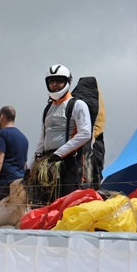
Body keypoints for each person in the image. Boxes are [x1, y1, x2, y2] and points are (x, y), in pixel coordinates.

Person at [32, 64, 92, 205]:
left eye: (59, 81)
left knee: (66, 202)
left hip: (69, 162)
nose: (55, 85)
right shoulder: (48, 108)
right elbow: (43, 137)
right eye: (51, 82)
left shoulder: (77, 104)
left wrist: (59, 153)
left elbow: (85, 133)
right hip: (48, 162)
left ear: (67, 82)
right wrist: (31, 165)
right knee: (45, 202)